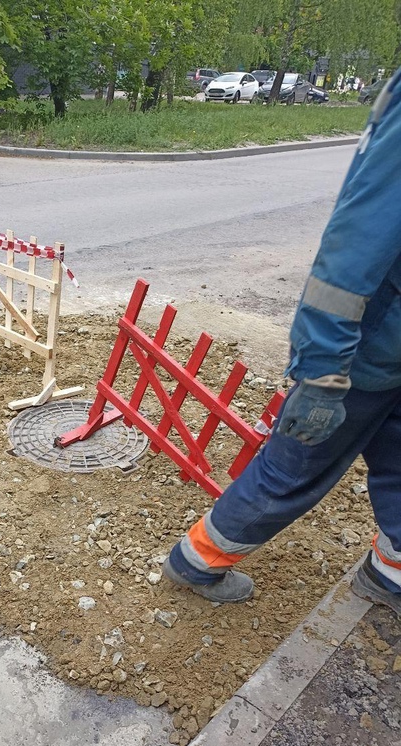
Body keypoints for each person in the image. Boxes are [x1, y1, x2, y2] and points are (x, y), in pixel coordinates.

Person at [163, 68, 401, 615]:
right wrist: (321, 373)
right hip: (366, 354)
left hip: (391, 350)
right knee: (292, 472)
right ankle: (196, 563)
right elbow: (353, 249)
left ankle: (391, 571)